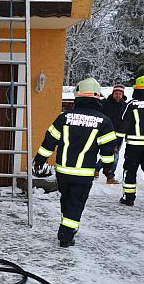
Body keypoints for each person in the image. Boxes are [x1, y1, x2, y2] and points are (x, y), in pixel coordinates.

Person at [33, 77, 117, 247]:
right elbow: (108, 151)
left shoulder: (64, 117)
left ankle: (67, 227)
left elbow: (49, 141)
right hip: (83, 174)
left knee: (67, 200)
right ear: (97, 97)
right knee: (76, 204)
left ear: (78, 96)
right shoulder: (104, 121)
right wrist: (108, 169)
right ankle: (66, 235)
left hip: (63, 172)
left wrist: (40, 160)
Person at [115, 74, 144, 206]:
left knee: (129, 171)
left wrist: (116, 144)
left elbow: (123, 125)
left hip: (134, 147)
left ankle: (129, 198)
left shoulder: (132, 104)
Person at [94, 84, 127, 184]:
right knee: (112, 156)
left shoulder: (125, 106)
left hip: (118, 135)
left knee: (113, 155)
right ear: (112, 93)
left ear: (123, 94)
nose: (118, 95)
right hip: (105, 133)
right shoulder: (104, 103)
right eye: (116, 93)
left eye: (120, 94)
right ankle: (110, 177)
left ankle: (97, 169)